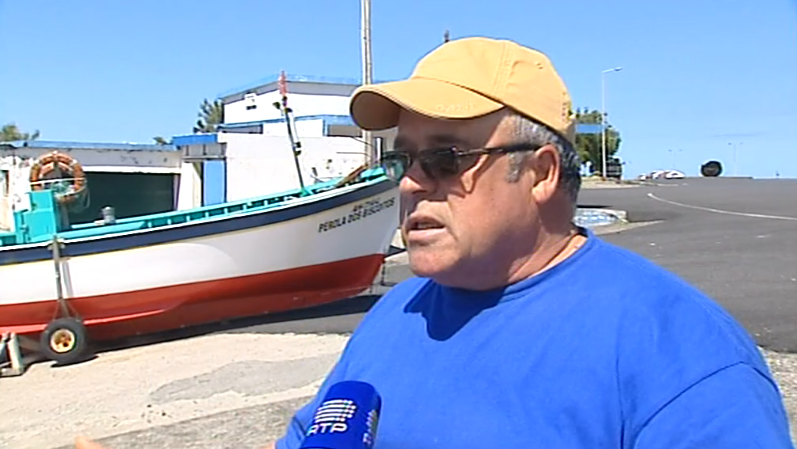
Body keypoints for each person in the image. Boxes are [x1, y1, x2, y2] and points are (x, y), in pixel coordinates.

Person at [76, 37, 794, 449]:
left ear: (540, 171)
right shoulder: (397, 315)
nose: (412, 182)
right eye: (402, 158)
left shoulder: (678, 354)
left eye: (444, 157)